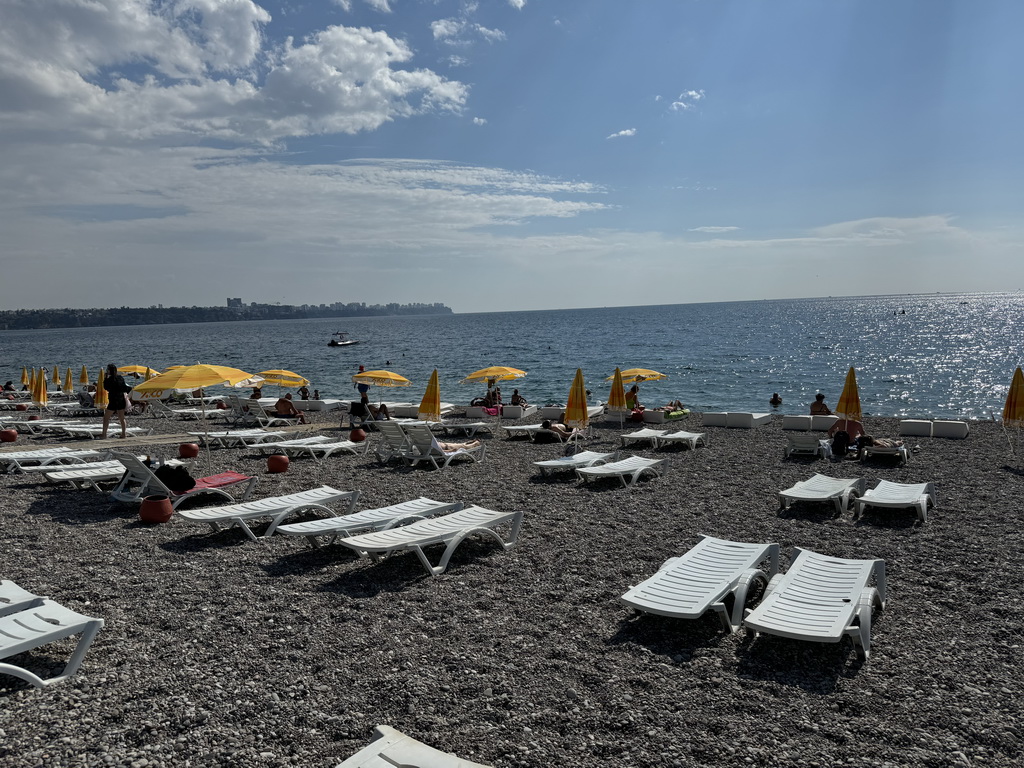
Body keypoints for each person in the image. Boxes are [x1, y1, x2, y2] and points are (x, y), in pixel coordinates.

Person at [100, 363, 132, 439]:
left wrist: (105, 378)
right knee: (122, 417)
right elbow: (124, 387)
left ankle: (104, 434)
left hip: (113, 400)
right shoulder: (120, 378)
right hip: (120, 399)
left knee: (106, 418)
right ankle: (123, 434)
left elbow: (106, 388)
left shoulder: (109, 380)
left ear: (109, 371)